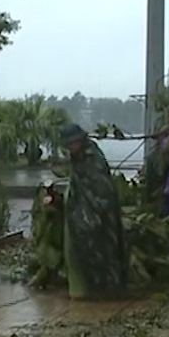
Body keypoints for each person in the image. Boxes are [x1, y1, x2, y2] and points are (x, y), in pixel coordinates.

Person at [61, 123, 128, 300]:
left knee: (105, 251)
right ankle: (93, 288)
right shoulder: (79, 157)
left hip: (100, 212)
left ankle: (107, 290)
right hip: (85, 209)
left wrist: (94, 213)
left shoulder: (93, 159)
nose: (71, 147)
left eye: (73, 143)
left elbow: (101, 188)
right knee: (87, 249)